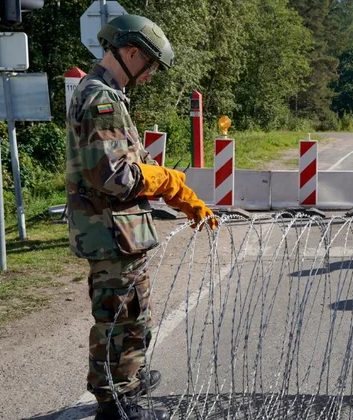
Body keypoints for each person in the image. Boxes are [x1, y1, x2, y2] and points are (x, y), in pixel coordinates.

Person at [66, 15, 217, 420]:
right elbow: (116, 177)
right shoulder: (101, 99)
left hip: (119, 232)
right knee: (121, 316)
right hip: (111, 232)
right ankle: (118, 404)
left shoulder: (109, 95)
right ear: (131, 53)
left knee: (127, 313)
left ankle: (125, 376)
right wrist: (165, 178)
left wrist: (180, 193)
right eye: (150, 65)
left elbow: (135, 160)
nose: (150, 75)